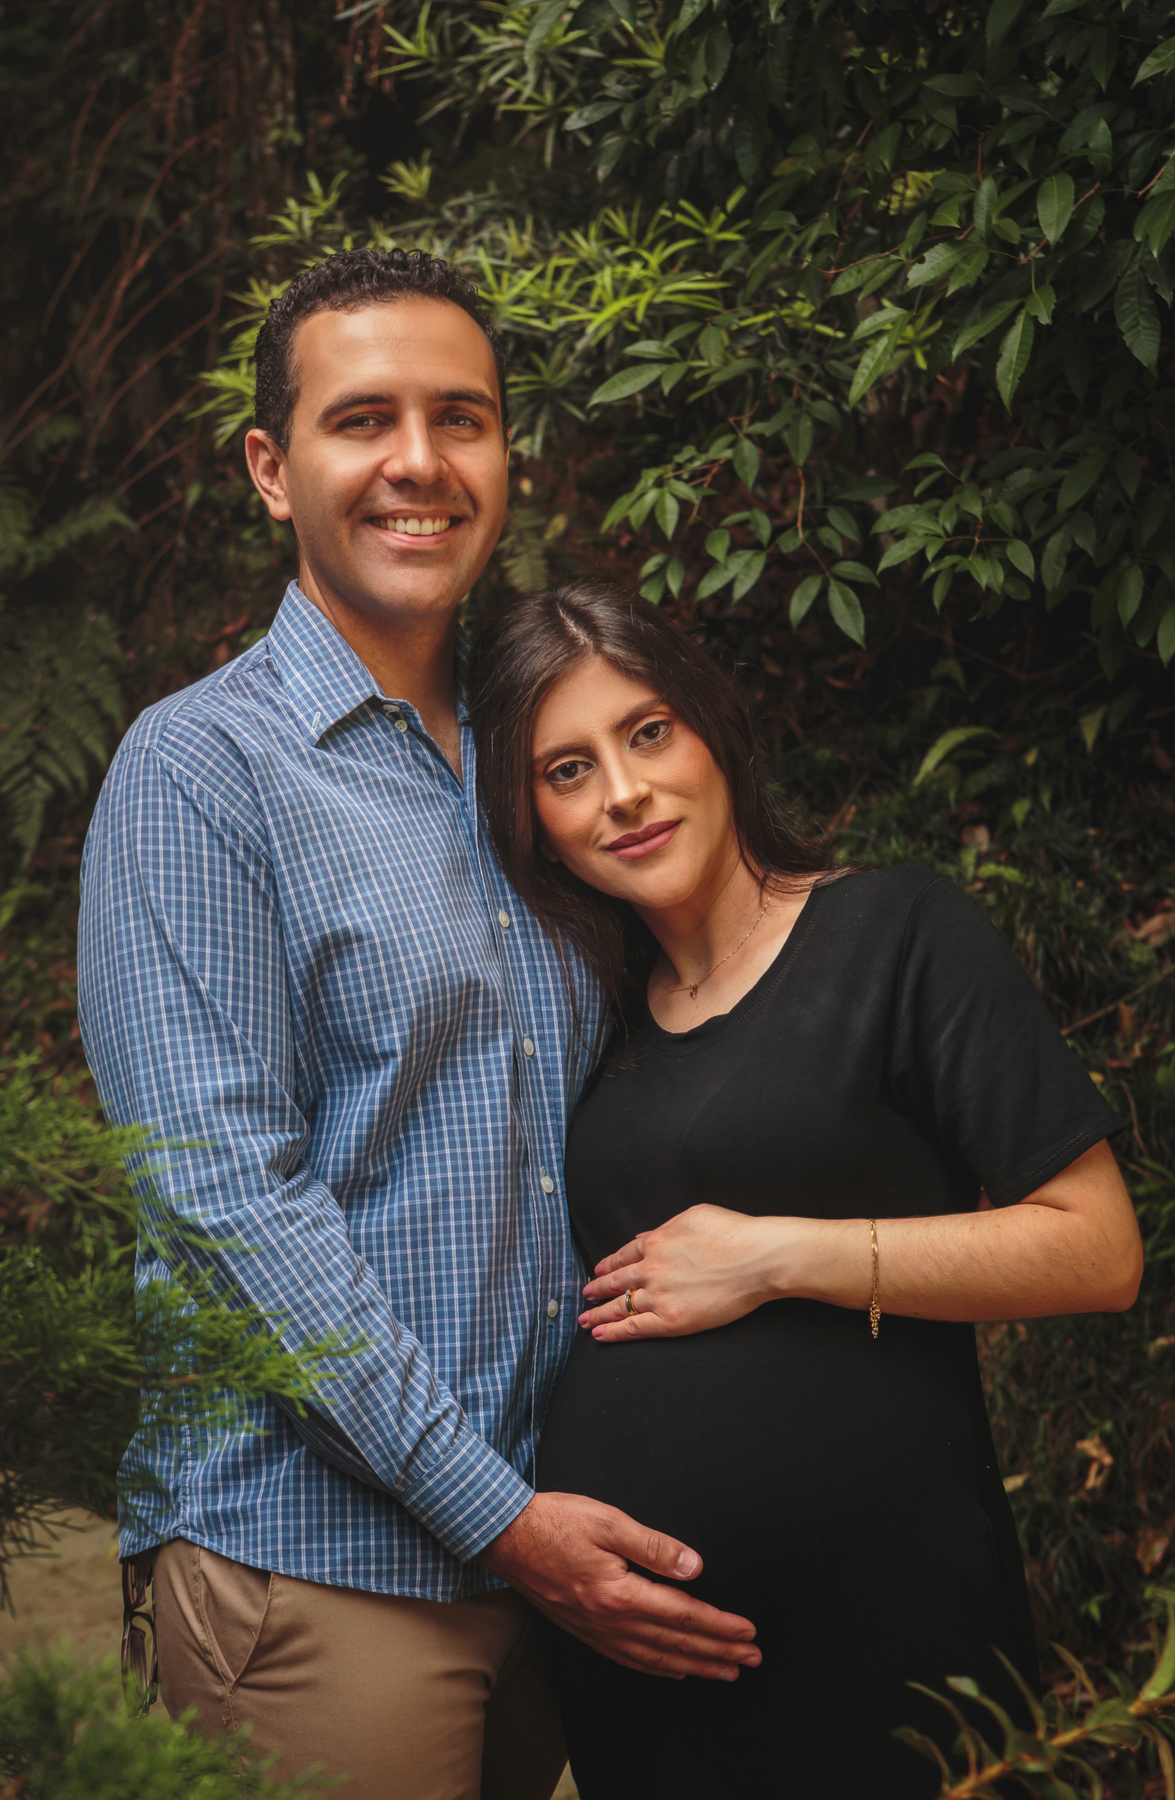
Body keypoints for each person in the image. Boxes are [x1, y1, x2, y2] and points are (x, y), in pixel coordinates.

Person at [76, 252, 762, 1800]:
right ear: (272, 469)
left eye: (462, 418)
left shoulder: (547, 757)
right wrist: (497, 1515)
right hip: (314, 1570)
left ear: (506, 455)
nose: (419, 461)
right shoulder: (202, 771)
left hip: (555, 1558)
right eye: (362, 419)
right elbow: (223, 1201)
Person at [466, 579, 1144, 1800]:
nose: (623, 792)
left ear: (714, 729)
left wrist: (776, 1255)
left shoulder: (896, 936)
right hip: (645, 1683)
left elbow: (1097, 1250)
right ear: (535, 822)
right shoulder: (585, 1025)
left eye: (648, 732)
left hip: (886, 1639)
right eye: (567, 771)